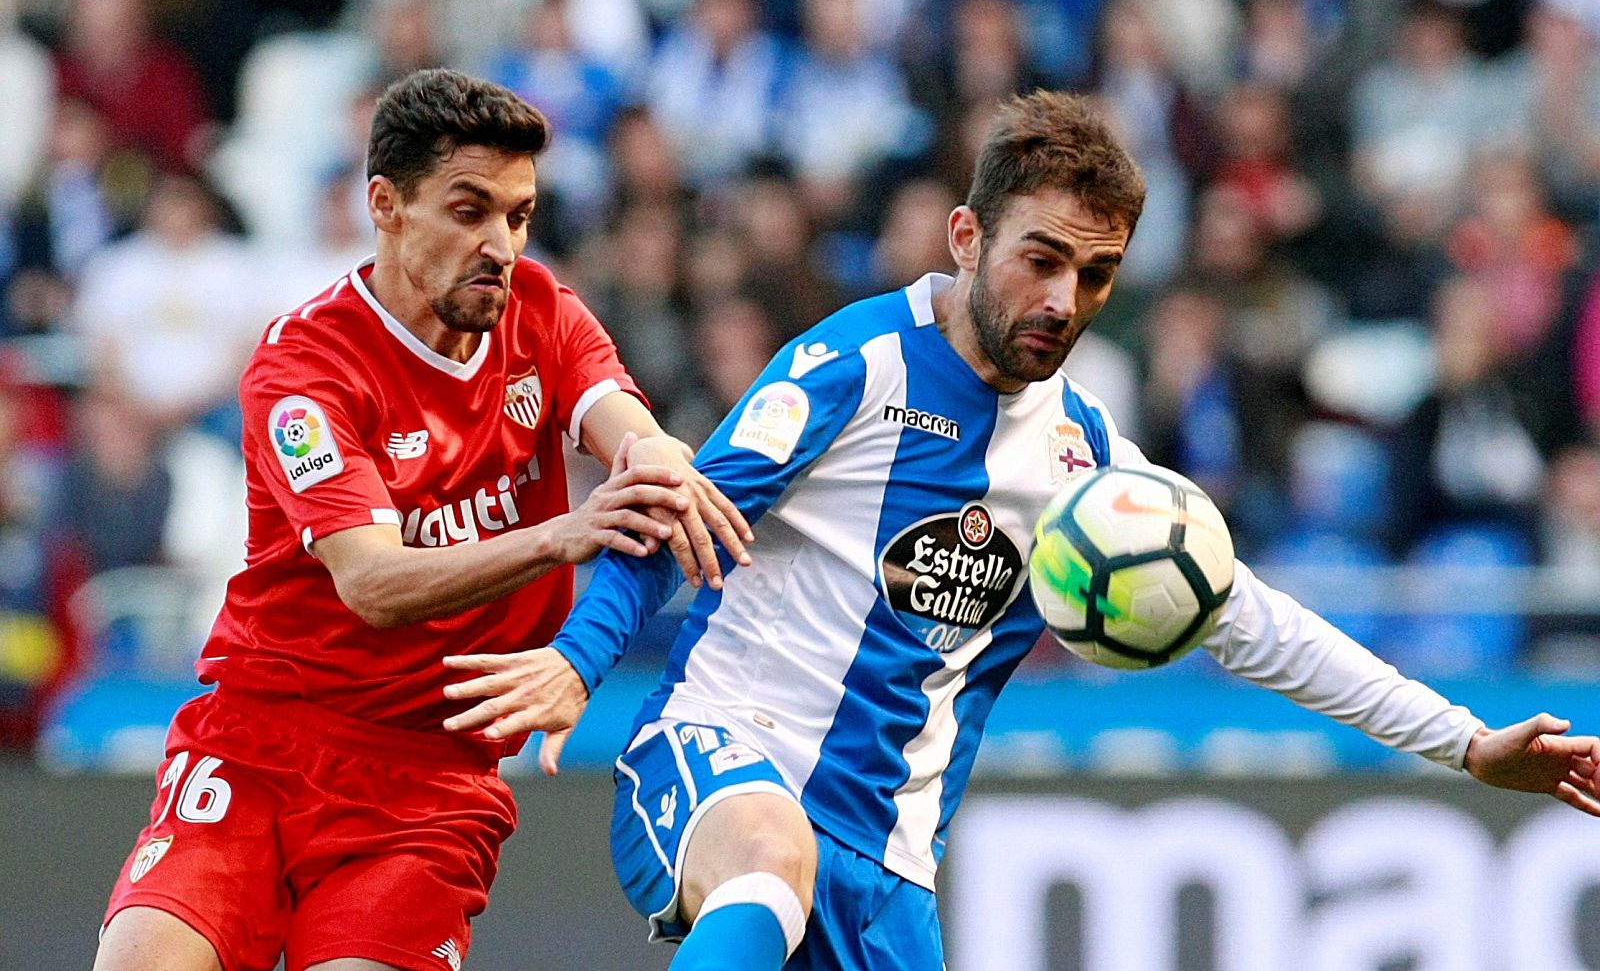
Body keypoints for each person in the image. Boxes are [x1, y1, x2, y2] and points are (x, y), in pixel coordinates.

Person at [443, 91, 1600, 971]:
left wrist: (1464, 741)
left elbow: (1252, 621)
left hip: (888, 866)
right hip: (719, 761)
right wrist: (576, 661)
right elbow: (669, 527)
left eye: (1095, 275)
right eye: (1041, 259)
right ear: (966, 235)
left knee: (803, 872)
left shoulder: (1087, 464)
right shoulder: (851, 368)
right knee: (769, 863)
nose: (1062, 300)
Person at [94, 67, 753, 971]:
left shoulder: (543, 315)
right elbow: (371, 580)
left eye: (519, 216)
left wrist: (657, 461)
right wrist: (561, 535)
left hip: (431, 779)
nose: (500, 245)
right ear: (387, 205)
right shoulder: (306, 368)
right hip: (264, 740)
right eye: (469, 210)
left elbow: (638, 441)